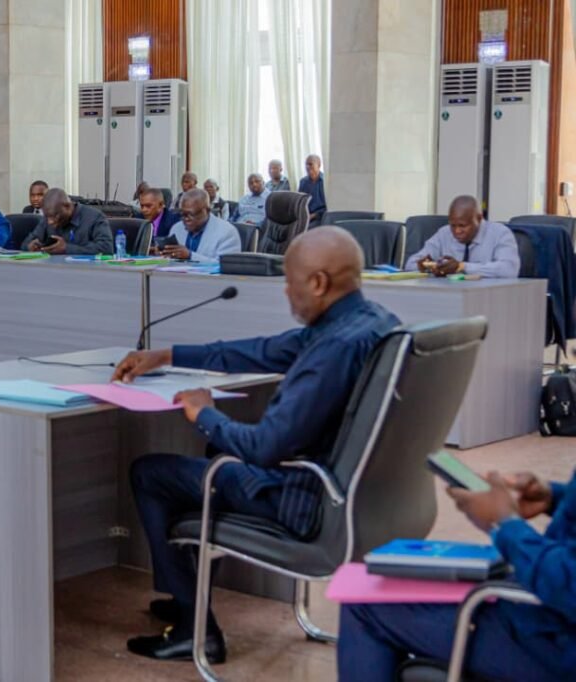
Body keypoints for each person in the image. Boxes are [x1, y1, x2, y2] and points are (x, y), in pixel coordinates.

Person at [115, 226, 400, 664]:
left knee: (150, 473)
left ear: (319, 283)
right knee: (213, 459)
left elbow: (265, 447)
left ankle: (197, 631)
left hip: (300, 499)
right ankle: (187, 595)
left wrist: (203, 413)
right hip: (357, 496)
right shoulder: (370, 322)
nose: (286, 292)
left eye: (290, 281)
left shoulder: (332, 350)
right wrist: (168, 355)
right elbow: (263, 350)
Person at [337, 465, 576, 681]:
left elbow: (568, 584)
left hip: (554, 641)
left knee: (363, 606)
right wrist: (554, 497)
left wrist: (506, 522)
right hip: (545, 613)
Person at [404, 195, 520, 278]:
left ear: (479, 219)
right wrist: (423, 267)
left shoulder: (500, 233)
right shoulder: (444, 233)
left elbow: (509, 269)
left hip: (487, 298)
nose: (457, 231)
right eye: (453, 225)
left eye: (462, 226)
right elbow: (409, 264)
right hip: (450, 297)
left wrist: (462, 267)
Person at [20, 188, 113, 255]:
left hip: (86, 272)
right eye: (47, 217)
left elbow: (107, 249)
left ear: (68, 207)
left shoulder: (94, 217)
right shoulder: (49, 216)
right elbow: (25, 244)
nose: (50, 222)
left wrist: (67, 248)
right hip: (53, 272)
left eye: (55, 216)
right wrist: (30, 247)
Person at [159, 188, 241, 263]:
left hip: (210, 279)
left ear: (207, 210)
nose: (186, 219)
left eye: (191, 214)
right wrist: (164, 253)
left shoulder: (227, 232)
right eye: (182, 214)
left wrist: (190, 256)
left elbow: (225, 265)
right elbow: (170, 262)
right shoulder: (176, 228)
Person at [297, 155, 326, 227]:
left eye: (310, 164)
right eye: (306, 164)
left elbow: (329, 206)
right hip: (305, 216)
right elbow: (300, 202)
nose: (307, 167)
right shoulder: (303, 182)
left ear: (319, 165)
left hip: (321, 217)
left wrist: (313, 215)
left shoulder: (326, 181)